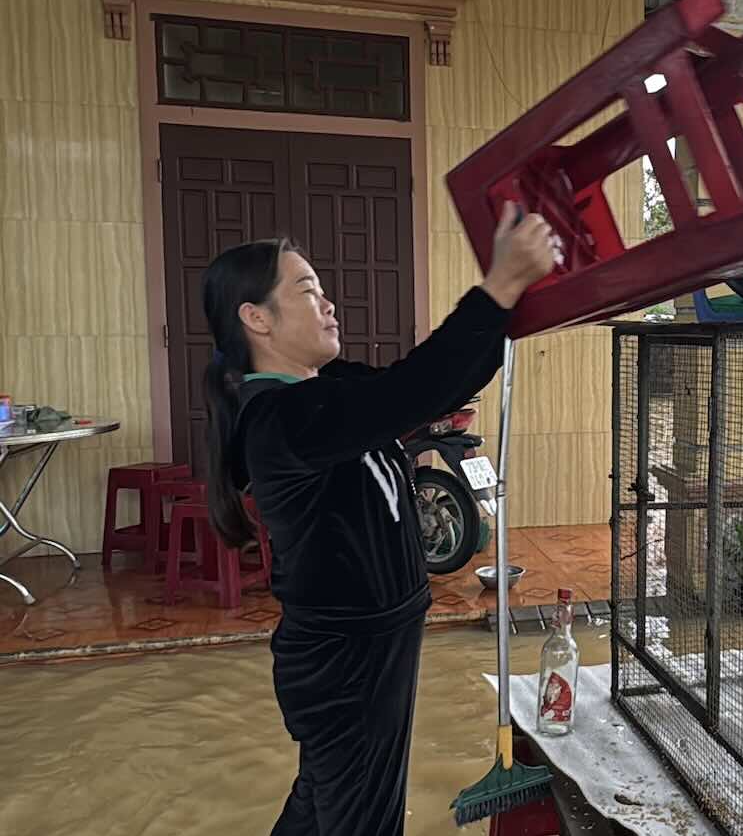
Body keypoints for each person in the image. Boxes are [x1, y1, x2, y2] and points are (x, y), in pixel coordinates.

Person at [199, 203, 554, 835]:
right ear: (256, 319)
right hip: (346, 665)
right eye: (307, 291)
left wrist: (510, 304)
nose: (328, 303)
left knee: (326, 806)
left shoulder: (324, 389)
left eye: (324, 290)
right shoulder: (281, 420)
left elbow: (423, 388)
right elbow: (412, 391)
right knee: (362, 819)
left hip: (367, 650)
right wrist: (497, 288)